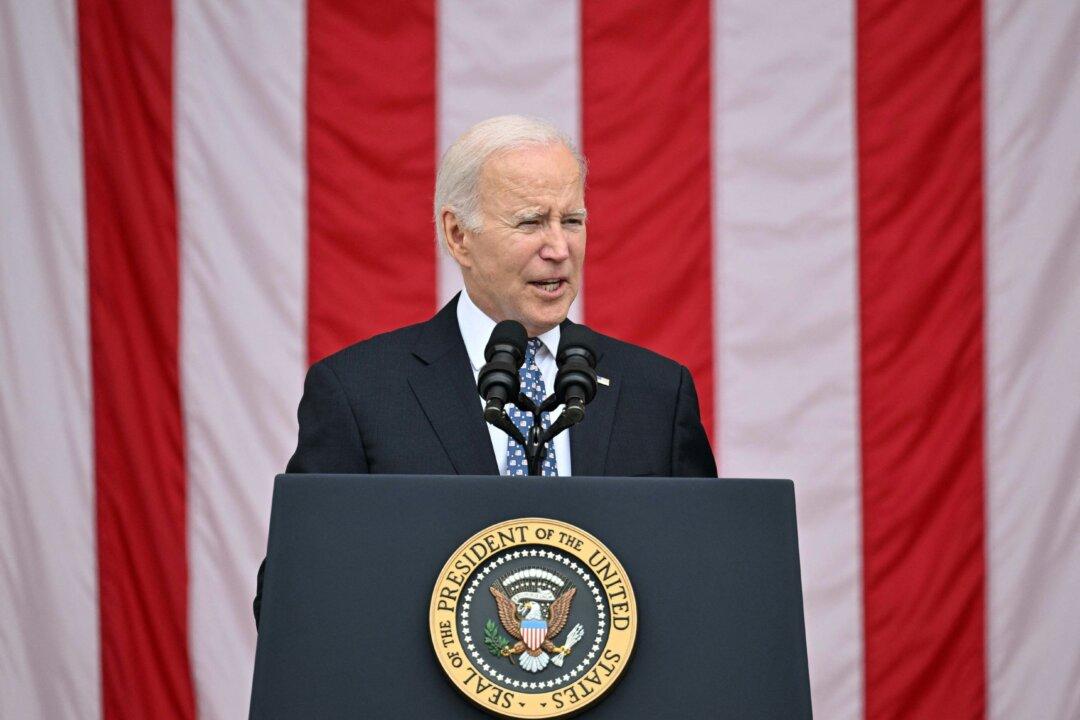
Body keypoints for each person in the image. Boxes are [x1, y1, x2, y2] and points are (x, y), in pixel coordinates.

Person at [254, 115, 715, 626]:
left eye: (572, 221)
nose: (559, 249)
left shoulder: (656, 393)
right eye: (531, 221)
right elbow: (293, 598)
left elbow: (706, 584)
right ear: (458, 236)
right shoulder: (359, 393)